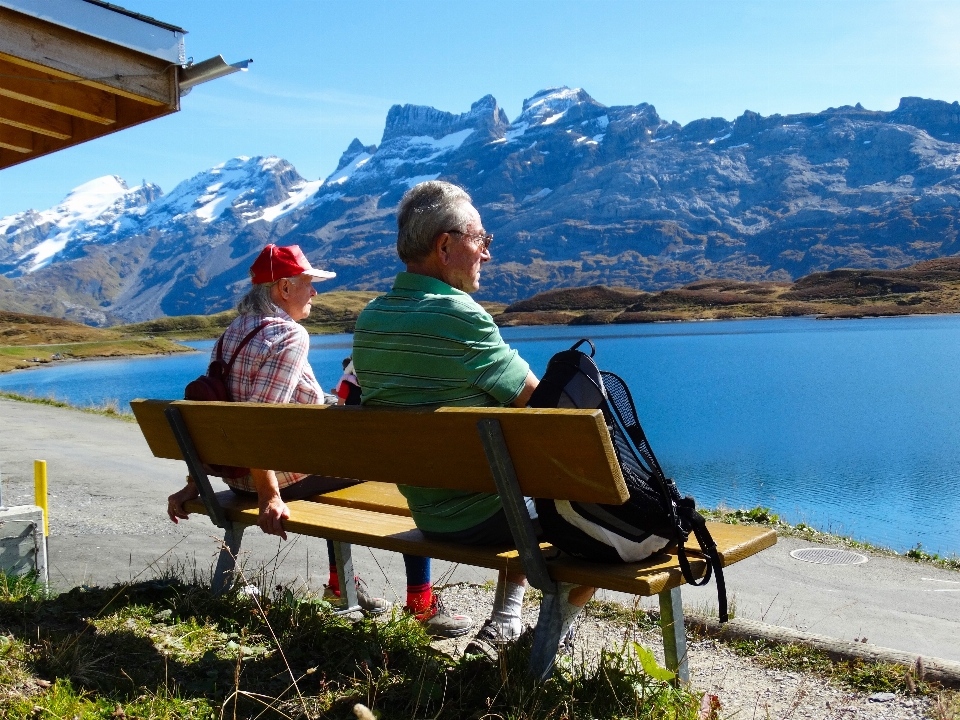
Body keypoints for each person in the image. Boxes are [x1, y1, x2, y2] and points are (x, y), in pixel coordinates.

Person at [166, 244, 472, 636]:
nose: (315, 293)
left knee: (336, 451)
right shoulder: (289, 335)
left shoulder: (233, 332)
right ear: (283, 288)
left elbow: (216, 411)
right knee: (406, 460)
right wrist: (269, 496)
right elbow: (259, 423)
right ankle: (421, 604)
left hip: (234, 476)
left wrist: (194, 483)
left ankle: (340, 585)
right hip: (273, 480)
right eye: (309, 284)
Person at [353, 181, 596, 658]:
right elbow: (543, 408)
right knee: (619, 512)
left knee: (513, 477)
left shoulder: (370, 319)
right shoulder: (460, 316)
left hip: (428, 511)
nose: (486, 253)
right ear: (445, 245)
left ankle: (504, 623)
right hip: (486, 516)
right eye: (480, 239)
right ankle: (542, 641)